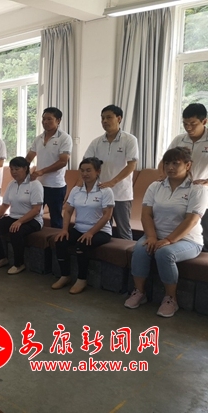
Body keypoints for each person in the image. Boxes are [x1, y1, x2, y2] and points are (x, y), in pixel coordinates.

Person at [126, 147, 207, 317]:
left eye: (175, 163)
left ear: (188, 165)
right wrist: (152, 236)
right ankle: (139, 292)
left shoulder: (197, 189)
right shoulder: (155, 186)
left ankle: (171, 299)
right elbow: (146, 214)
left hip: (188, 240)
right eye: (167, 163)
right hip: (156, 236)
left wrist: (169, 240)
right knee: (140, 249)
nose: (170, 167)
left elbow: (191, 220)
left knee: (164, 253)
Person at [52, 157, 114, 294]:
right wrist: (64, 229)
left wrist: (91, 232)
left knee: (82, 244)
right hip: (79, 228)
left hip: (100, 231)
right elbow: (68, 211)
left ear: (98, 172)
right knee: (60, 241)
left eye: (88, 170)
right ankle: (65, 275)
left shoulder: (106, 191)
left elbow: (107, 216)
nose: (85, 174)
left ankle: (81, 279)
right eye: (82, 171)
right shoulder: (76, 190)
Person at [84, 105, 138, 240]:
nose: (104, 121)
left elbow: (132, 165)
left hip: (121, 194)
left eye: (108, 117)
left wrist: (113, 182)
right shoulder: (96, 142)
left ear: (119, 119)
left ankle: (128, 253)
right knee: (102, 229)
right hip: (101, 193)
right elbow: (87, 163)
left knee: (124, 230)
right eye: (102, 118)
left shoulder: (129, 139)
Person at [0, 157, 43, 275]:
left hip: (33, 220)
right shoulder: (12, 184)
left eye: (17, 169)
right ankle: (1, 258)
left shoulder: (35, 185)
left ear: (25, 168)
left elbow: (36, 210)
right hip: (14, 217)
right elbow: (5, 204)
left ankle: (19, 264)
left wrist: (20, 221)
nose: (13, 172)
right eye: (11, 169)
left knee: (15, 231)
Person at [162, 103, 208, 250]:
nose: (188, 127)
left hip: (203, 194)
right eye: (185, 124)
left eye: (193, 124)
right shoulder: (179, 140)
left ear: (204, 121)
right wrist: (162, 178)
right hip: (180, 194)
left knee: (204, 237)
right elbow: (165, 161)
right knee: (182, 234)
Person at [25, 107, 72, 229]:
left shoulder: (64, 138)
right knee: (33, 215)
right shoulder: (39, 138)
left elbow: (63, 161)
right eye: (43, 119)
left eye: (49, 119)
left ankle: (58, 240)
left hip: (55, 186)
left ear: (58, 120)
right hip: (38, 185)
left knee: (56, 219)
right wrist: (22, 171)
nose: (45, 122)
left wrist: (41, 171)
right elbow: (29, 157)